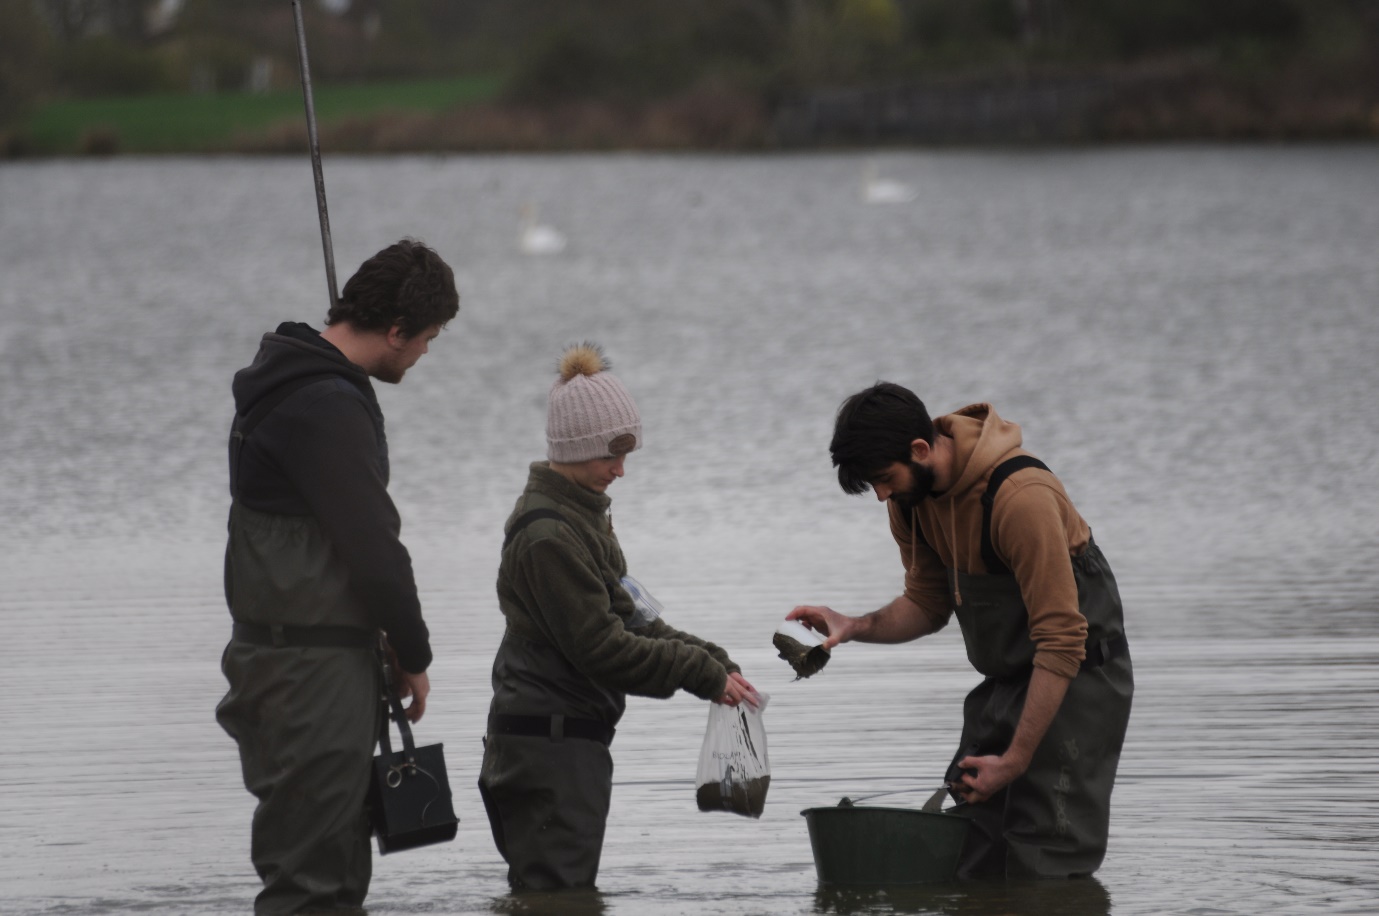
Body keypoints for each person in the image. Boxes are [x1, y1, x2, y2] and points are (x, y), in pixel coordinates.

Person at [789, 383, 1133, 879]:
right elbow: (927, 604)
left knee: (1044, 861)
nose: (882, 494)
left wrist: (1015, 760)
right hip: (1008, 681)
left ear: (921, 449)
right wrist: (855, 625)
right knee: (970, 845)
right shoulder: (910, 497)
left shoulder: (1021, 498)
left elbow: (1062, 641)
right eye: (874, 485)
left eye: (885, 479)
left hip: (1080, 681)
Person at [216, 239, 460, 914]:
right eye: (428, 338)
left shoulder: (300, 380)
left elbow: (339, 545)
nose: (425, 354)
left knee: (333, 870)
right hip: (308, 678)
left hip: (302, 660)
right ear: (394, 330)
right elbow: (375, 548)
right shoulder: (324, 403)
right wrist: (413, 654)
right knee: (314, 885)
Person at [478, 342, 756, 892]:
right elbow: (602, 647)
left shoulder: (581, 518)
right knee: (559, 897)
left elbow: (632, 618)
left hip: (565, 745)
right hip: (546, 754)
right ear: (577, 447)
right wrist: (697, 674)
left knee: (558, 898)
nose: (621, 471)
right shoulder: (547, 536)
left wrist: (714, 661)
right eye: (612, 455)